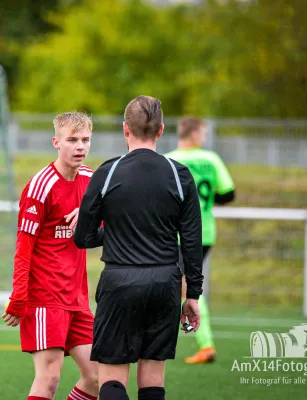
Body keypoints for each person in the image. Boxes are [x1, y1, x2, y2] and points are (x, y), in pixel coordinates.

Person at [74, 96, 204, 400]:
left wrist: (114, 232)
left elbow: (83, 237)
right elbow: (192, 241)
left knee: (112, 377)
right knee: (153, 378)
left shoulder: (106, 174)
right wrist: (193, 294)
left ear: (125, 130)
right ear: (160, 131)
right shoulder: (179, 174)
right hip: (165, 284)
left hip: (119, 282)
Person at [1, 111, 99, 400]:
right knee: (49, 379)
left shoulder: (92, 181)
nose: (80, 146)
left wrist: (91, 217)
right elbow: (24, 247)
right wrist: (19, 297)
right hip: (44, 299)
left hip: (77, 300)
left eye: (85, 140)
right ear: (56, 142)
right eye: (72, 140)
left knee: (96, 376)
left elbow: (109, 222)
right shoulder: (40, 187)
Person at [165, 116, 235, 364]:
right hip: (205, 232)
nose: (204, 138)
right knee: (186, 283)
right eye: (203, 133)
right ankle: (197, 340)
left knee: (186, 285)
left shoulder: (171, 159)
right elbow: (228, 194)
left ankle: (205, 344)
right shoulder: (211, 159)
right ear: (194, 134)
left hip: (177, 233)